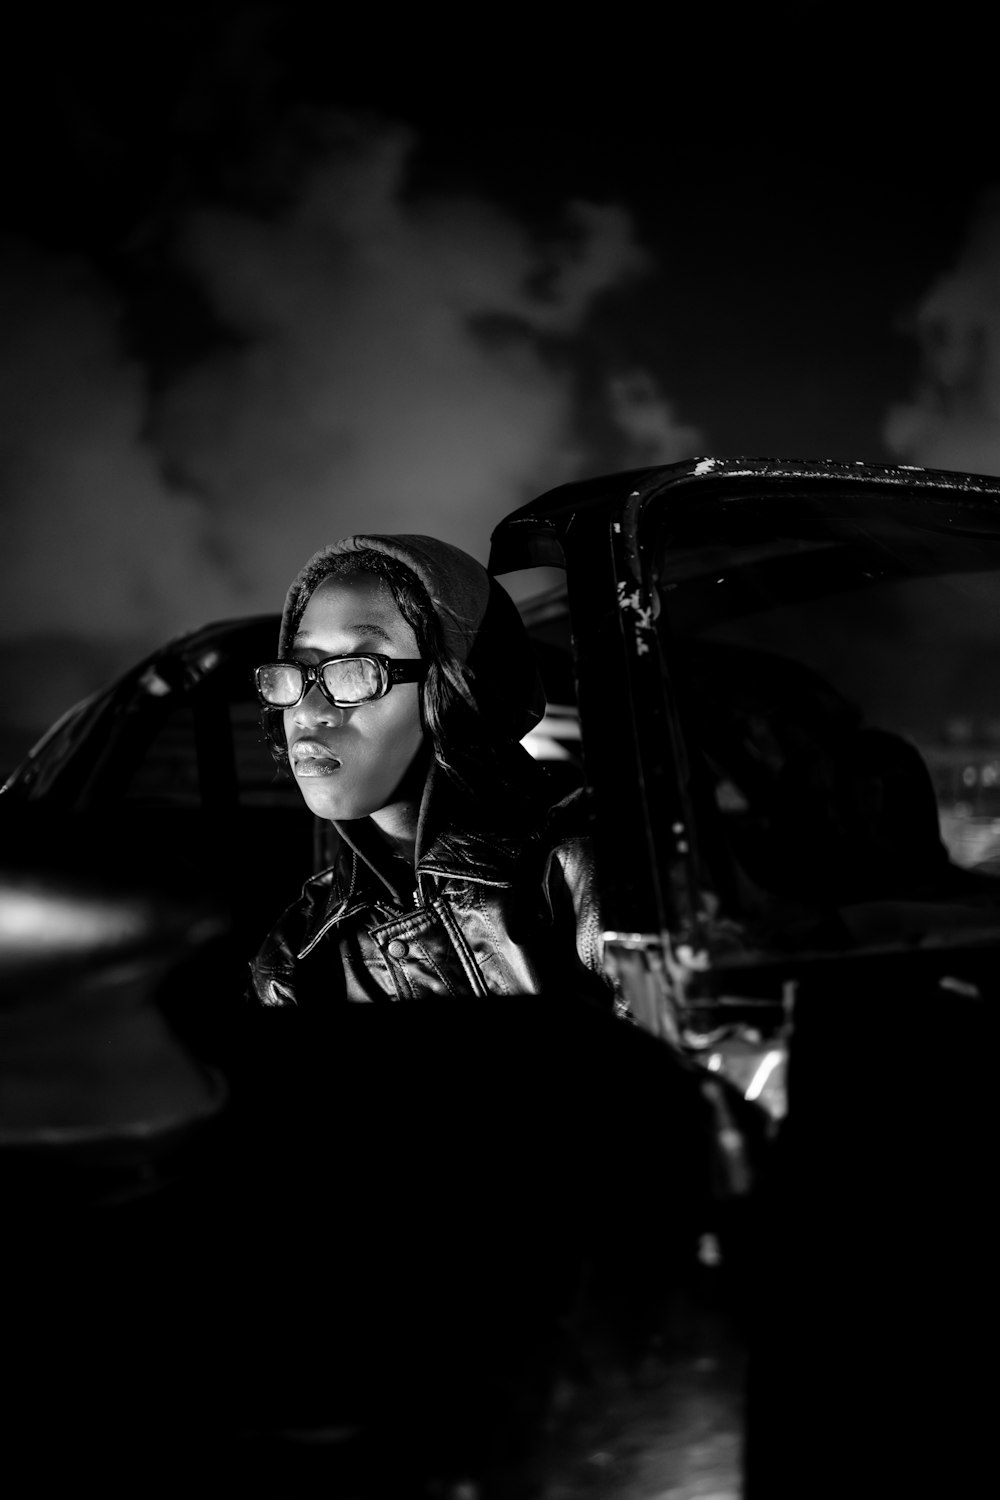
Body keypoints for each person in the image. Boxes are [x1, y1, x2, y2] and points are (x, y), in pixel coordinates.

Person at [249, 532, 613, 1010]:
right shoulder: (297, 955)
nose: (307, 711)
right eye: (298, 669)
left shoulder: (585, 869)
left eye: (357, 670)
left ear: (459, 685)